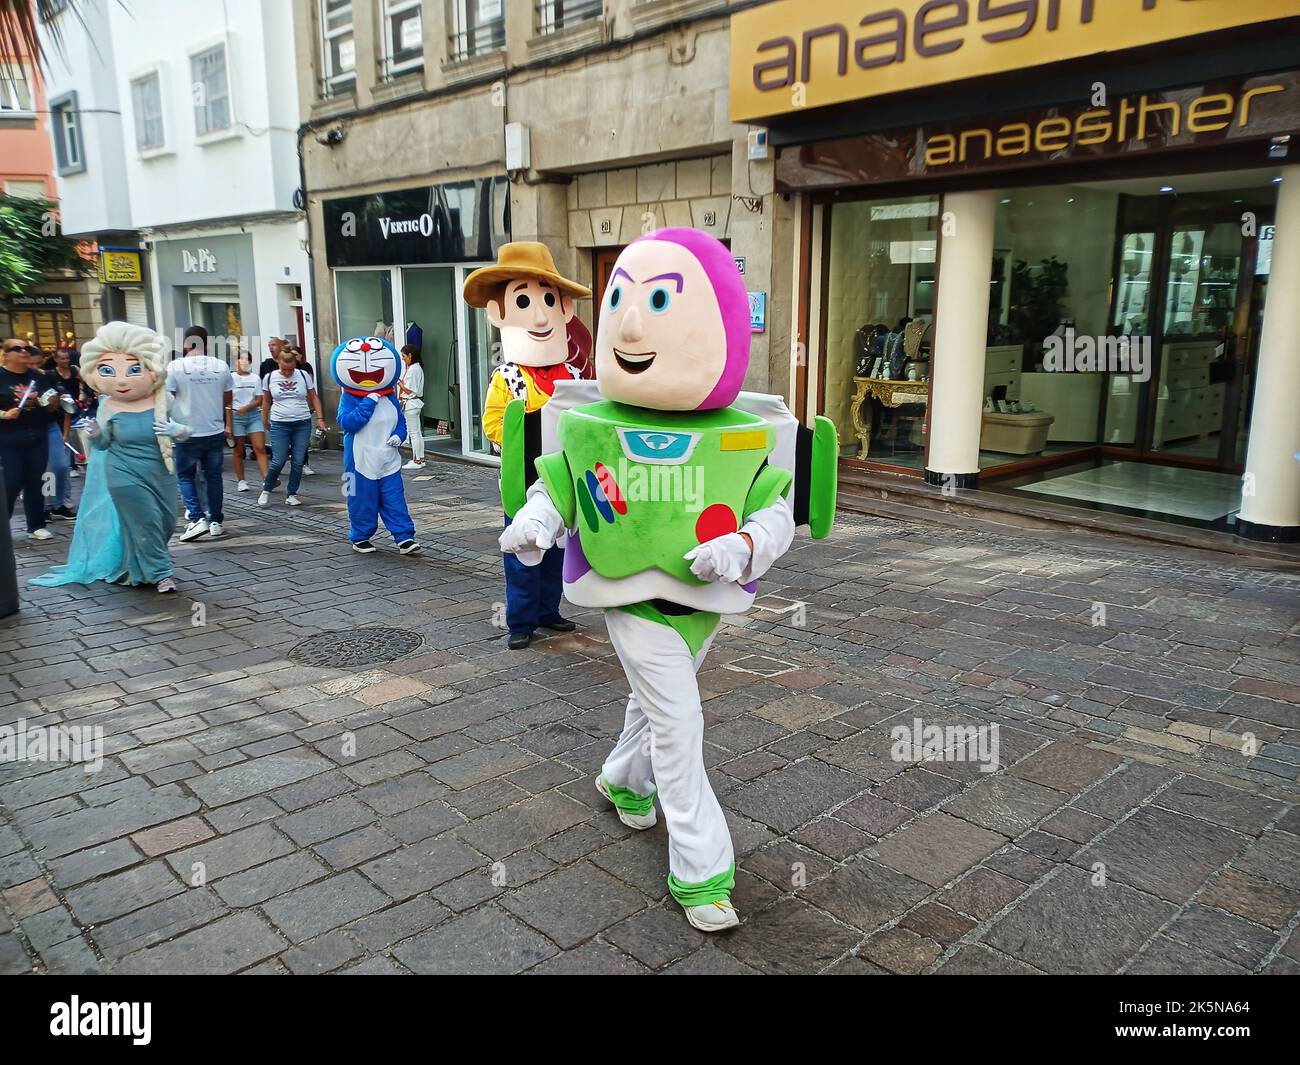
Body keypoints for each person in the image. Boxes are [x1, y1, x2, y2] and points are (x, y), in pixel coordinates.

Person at [499, 228, 837, 932]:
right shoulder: (593, 422)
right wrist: (537, 521)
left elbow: (775, 508)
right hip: (629, 594)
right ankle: (702, 870)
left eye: (657, 300)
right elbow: (563, 483)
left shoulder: (742, 434)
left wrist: (743, 545)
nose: (629, 322)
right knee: (680, 719)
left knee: (652, 707)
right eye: (624, 296)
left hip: (702, 600)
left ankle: (622, 779)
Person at [465, 242, 591, 650]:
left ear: (564, 309)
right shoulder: (507, 377)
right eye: (524, 301)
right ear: (499, 314)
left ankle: (547, 610)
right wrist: (530, 429)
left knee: (556, 545)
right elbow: (492, 424)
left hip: (563, 479)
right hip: (523, 479)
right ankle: (520, 620)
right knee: (523, 546)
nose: (539, 315)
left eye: (548, 301)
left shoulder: (573, 372)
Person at [32, 322, 190, 594]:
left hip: (160, 471)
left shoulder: (164, 399)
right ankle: (161, 573)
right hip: (123, 473)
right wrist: (94, 432)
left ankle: (136, 567)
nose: (121, 380)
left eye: (133, 370)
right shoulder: (108, 405)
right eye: (108, 371)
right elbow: (103, 444)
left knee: (164, 522)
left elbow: (187, 430)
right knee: (146, 520)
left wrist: (177, 430)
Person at [331, 336, 420, 555]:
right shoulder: (349, 397)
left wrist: (400, 436)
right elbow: (348, 422)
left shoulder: (389, 396)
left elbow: (400, 421)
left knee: (395, 499)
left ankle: (404, 537)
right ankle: (360, 536)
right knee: (360, 499)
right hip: (359, 462)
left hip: (388, 459)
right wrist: (369, 401)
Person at [167, 326, 232, 542]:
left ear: (186, 343)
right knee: (213, 477)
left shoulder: (175, 366)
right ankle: (216, 521)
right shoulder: (220, 366)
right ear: (206, 343)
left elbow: (169, 399)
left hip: (186, 430)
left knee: (186, 475)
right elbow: (228, 398)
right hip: (213, 428)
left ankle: (196, 518)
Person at [0, 339, 58, 541]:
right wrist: (4, 415)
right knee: (11, 482)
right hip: (9, 438)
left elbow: (48, 405)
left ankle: (36, 525)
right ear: (5, 354)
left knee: (36, 480)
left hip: (37, 434)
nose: (23, 352)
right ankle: (3, 526)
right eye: (17, 349)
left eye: (26, 348)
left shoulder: (37, 376)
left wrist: (53, 402)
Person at [259, 345, 325, 507]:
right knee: (278, 460)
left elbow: (314, 397)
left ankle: (291, 494)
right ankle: (266, 489)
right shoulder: (270, 377)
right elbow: (266, 400)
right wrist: (264, 419)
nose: (288, 373)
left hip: (302, 422)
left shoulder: (303, 375)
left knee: (297, 461)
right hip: (280, 423)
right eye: (284, 369)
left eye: (291, 369)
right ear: (279, 364)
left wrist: (320, 418)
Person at [229, 351, 267, 491]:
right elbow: (227, 401)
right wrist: (228, 424)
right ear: (236, 362)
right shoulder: (230, 378)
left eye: (247, 359)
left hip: (253, 415)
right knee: (238, 450)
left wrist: (246, 408)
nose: (243, 362)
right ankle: (241, 481)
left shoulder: (255, 378)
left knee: (260, 447)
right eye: (241, 359)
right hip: (235, 417)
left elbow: (259, 400)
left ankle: (266, 479)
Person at [397, 345, 425, 469]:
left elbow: (410, 390)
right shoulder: (416, 368)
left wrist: (399, 384)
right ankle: (420, 458)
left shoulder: (414, 369)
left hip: (411, 404)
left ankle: (417, 460)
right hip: (414, 403)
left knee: (414, 433)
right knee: (417, 433)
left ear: (410, 356)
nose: (403, 359)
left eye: (404, 356)